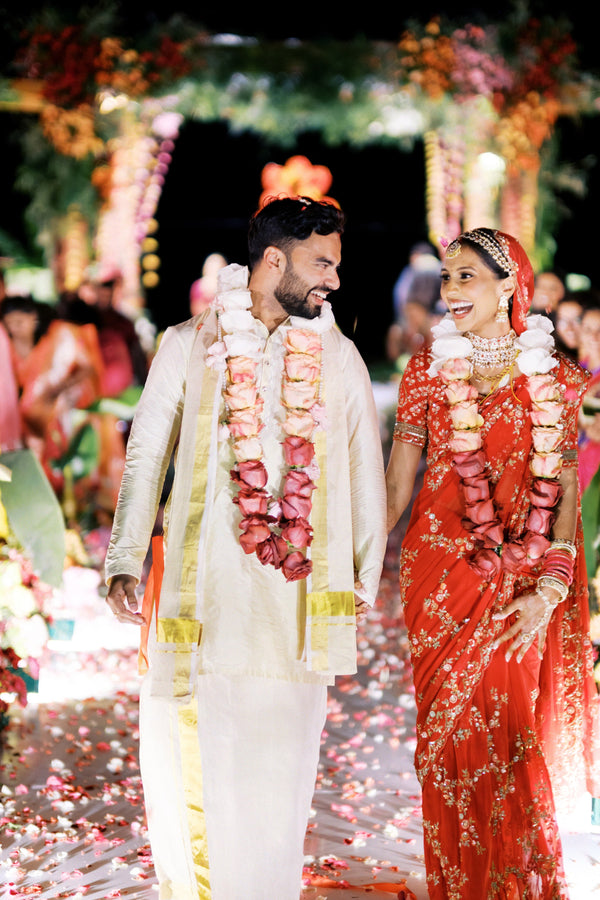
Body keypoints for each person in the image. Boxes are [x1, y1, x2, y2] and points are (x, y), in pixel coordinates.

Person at [104, 196, 387, 900]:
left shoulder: (337, 356)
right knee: (195, 766)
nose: (334, 280)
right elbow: (146, 456)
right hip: (205, 603)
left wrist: (364, 576)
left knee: (278, 783)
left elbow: (365, 468)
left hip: (295, 613)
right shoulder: (188, 343)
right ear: (274, 260)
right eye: (322, 263)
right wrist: (124, 559)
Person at [385, 227, 600, 899]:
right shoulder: (427, 368)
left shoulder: (554, 377)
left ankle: (511, 887)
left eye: (465, 276)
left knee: (508, 737)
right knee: (444, 743)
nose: (449, 290)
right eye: (447, 277)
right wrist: (352, 561)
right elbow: (397, 485)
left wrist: (552, 587)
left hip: (520, 584)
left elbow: (564, 488)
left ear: (509, 285)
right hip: (437, 576)